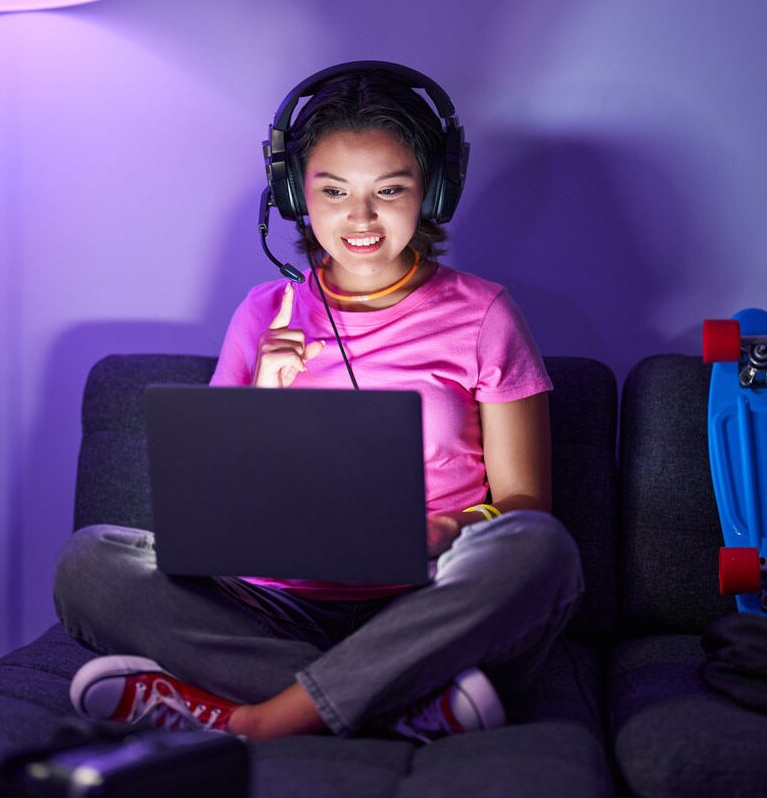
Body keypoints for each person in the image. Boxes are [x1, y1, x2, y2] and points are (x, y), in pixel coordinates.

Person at [53, 62, 584, 743]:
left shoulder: (485, 313)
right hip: (271, 603)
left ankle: (260, 716)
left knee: (543, 552)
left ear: (434, 191)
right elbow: (212, 505)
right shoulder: (264, 312)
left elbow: (524, 504)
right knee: (89, 564)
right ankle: (401, 702)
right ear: (296, 194)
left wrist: (447, 529)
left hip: (424, 598)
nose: (360, 218)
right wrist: (264, 397)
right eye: (333, 191)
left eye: (389, 190)